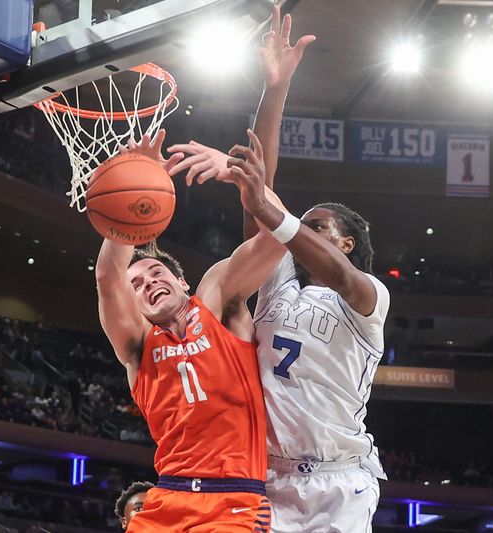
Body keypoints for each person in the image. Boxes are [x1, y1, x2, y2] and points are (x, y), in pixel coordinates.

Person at [168, 6, 389, 532]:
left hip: (341, 481)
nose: (301, 230)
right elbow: (260, 198)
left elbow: (332, 269)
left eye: (318, 226)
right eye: (300, 223)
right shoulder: (278, 287)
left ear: (347, 241)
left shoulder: (368, 298)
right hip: (266, 478)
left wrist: (275, 210)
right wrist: (275, 87)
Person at [96, 129, 284, 532]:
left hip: (233, 499)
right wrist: (131, 189)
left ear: (181, 281)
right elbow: (108, 275)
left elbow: (279, 240)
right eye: (139, 285)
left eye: (156, 272)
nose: (148, 283)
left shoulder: (216, 301)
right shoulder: (137, 344)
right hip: (167, 497)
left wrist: (240, 177)